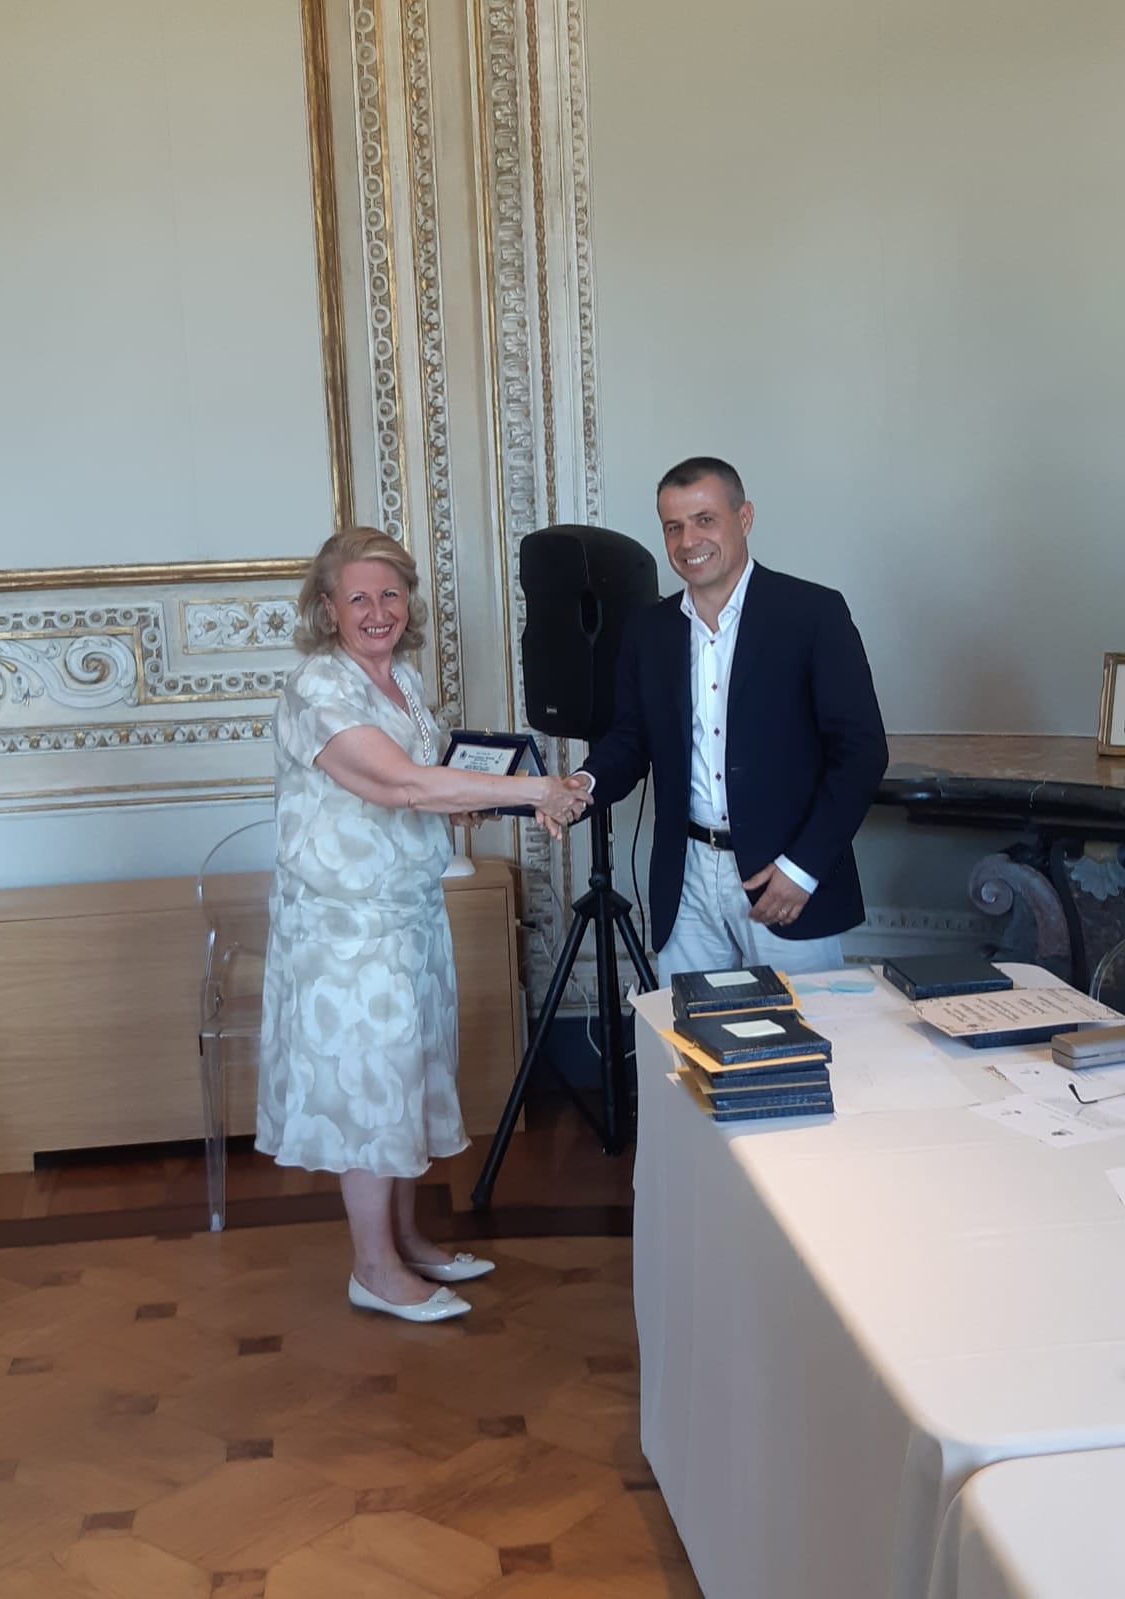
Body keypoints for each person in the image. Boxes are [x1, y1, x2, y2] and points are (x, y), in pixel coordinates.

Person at [257, 527, 585, 1324]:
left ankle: (402, 1240)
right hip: (346, 935)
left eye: (391, 594)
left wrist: (472, 800)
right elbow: (401, 785)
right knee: (371, 1091)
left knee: (404, 1077)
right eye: (358, 598)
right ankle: (373, 1268)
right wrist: (535, 792)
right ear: (327, 608)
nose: (378, 611)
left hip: (406, 916)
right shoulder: (316, 686)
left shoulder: (401, 679)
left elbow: (428, 790)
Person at [567, 456, 887, 985]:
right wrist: (583, 784)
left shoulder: (813, 614)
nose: (688, 540)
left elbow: (862, 753)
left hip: (786, 875)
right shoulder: (649, 630)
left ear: (745, 518)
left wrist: (803, 868)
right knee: (692, 1033)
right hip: (687, 876)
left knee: (801, 1034)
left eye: (705, 520)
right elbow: (630, 740)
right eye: (673, 527)